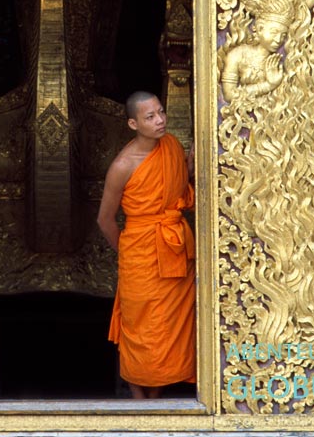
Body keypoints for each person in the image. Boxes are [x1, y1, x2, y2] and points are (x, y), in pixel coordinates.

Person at [97, 90, 195, 399]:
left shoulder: (172, 147)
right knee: (140, 330)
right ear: (133, 124)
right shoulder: (122, 166)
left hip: (174, 248)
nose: (160, 120)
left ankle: (154, 402)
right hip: (140, 253)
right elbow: (105, 220)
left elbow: (178, 186)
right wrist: (126, 252)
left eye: (161, 113)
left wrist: (190, 167)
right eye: (150, 117)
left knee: (171, 329)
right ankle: (140, 402)